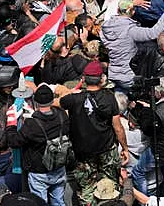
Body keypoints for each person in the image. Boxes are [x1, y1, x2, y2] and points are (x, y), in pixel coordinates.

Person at [54, 62, 129, 205]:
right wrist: (125, 148)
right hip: (106, 149)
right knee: (109, 186)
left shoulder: (74, 99)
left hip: (82, 152)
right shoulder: (109, 98)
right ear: (101, 79)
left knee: (86, 189)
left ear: (83, 79)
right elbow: (118, 128)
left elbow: (54, 103)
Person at [5, 86, 70, 205]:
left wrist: (11, 123)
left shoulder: (32, 124)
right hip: (59, 166)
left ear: (36, 101)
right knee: (59, 202)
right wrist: (34, 114)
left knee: (39, 203)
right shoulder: (62, 116)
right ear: (51, 100)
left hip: (39, 172)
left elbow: (14, 142)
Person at [100, 0, 164, 92]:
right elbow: (153, 33)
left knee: (120, 101)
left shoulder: (105, 27)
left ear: (118, 10)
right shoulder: (131, 30)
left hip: (113, 73)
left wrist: (133, 3)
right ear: (133, 12)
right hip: (128, 75)